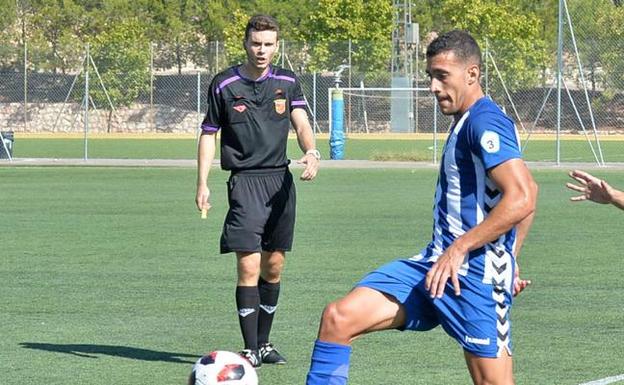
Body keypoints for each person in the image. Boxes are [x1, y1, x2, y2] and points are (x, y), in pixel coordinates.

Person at [305, 30, 537, 385]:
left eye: (442, 76)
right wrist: (504, 257)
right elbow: (528, 191)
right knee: (338, 318)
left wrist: (490, 259)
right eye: (431, 75)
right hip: (434, 266)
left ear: (472, 75)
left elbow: (523, 197)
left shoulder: (485, 121)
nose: (433, 85)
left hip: (474, 277)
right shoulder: (465, 120)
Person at [195, 14, 320, 368]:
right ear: (245, 43)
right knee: (248, 265)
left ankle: (264, 343)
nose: (261, 50)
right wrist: (202, 182)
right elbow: (208, 134)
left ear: (276, 45)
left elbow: (301, 124)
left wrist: (312, 151)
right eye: (255, 43)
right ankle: (249, 348)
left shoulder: (288, 81)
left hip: (280, 182)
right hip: (245, 182)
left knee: (275, 266)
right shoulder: (224, 84)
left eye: (268, 44)